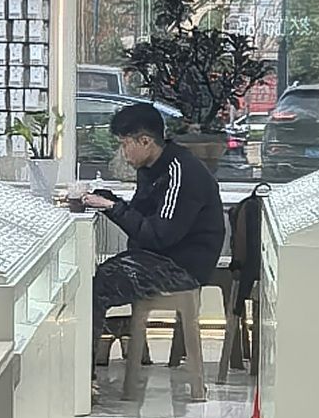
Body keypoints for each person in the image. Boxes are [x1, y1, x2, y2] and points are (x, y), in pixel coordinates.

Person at [74, 99, 224, 394]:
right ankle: (83, 369)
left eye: (125, 144)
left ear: (145, 141)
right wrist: (110, 202)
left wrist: (113, 208)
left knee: (96, 285)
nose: (123, 152)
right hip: (157, 257)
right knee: (93, 279)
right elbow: (141, 219)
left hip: (180, 267)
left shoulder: (181, 172)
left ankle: (81, 378)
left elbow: (158, 234)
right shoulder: (151, 168)